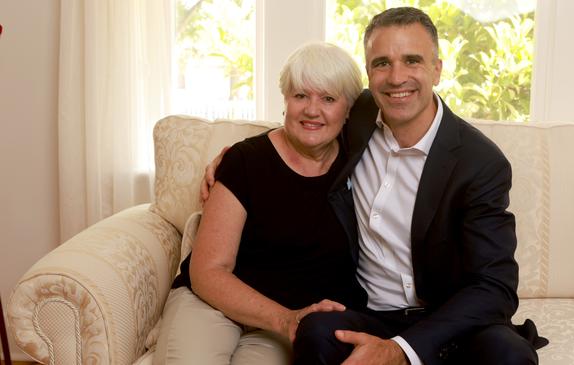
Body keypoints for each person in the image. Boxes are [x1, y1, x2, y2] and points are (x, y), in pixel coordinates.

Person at [203, 7, 547, 365]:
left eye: (412, 61)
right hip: (371, 313)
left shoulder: (479, 162)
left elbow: (495, 287)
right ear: (368, 73)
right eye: (382, 63)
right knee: (316, 331)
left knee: (510, 355)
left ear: (437, 69)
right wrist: (235, 159)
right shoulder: (359, 117)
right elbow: (307, 122)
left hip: (450, 321)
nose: (396, 78)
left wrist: (401, 350)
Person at [153, 42, 367, 365]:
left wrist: (288, 322)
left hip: (283, 325)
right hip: (212, 304)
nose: (312, 110)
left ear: (349, 109)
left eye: (327, 98)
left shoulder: (362, 164)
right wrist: (286, 319)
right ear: (285, 101)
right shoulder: (244, 160)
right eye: (300, 96)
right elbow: (208, 271)